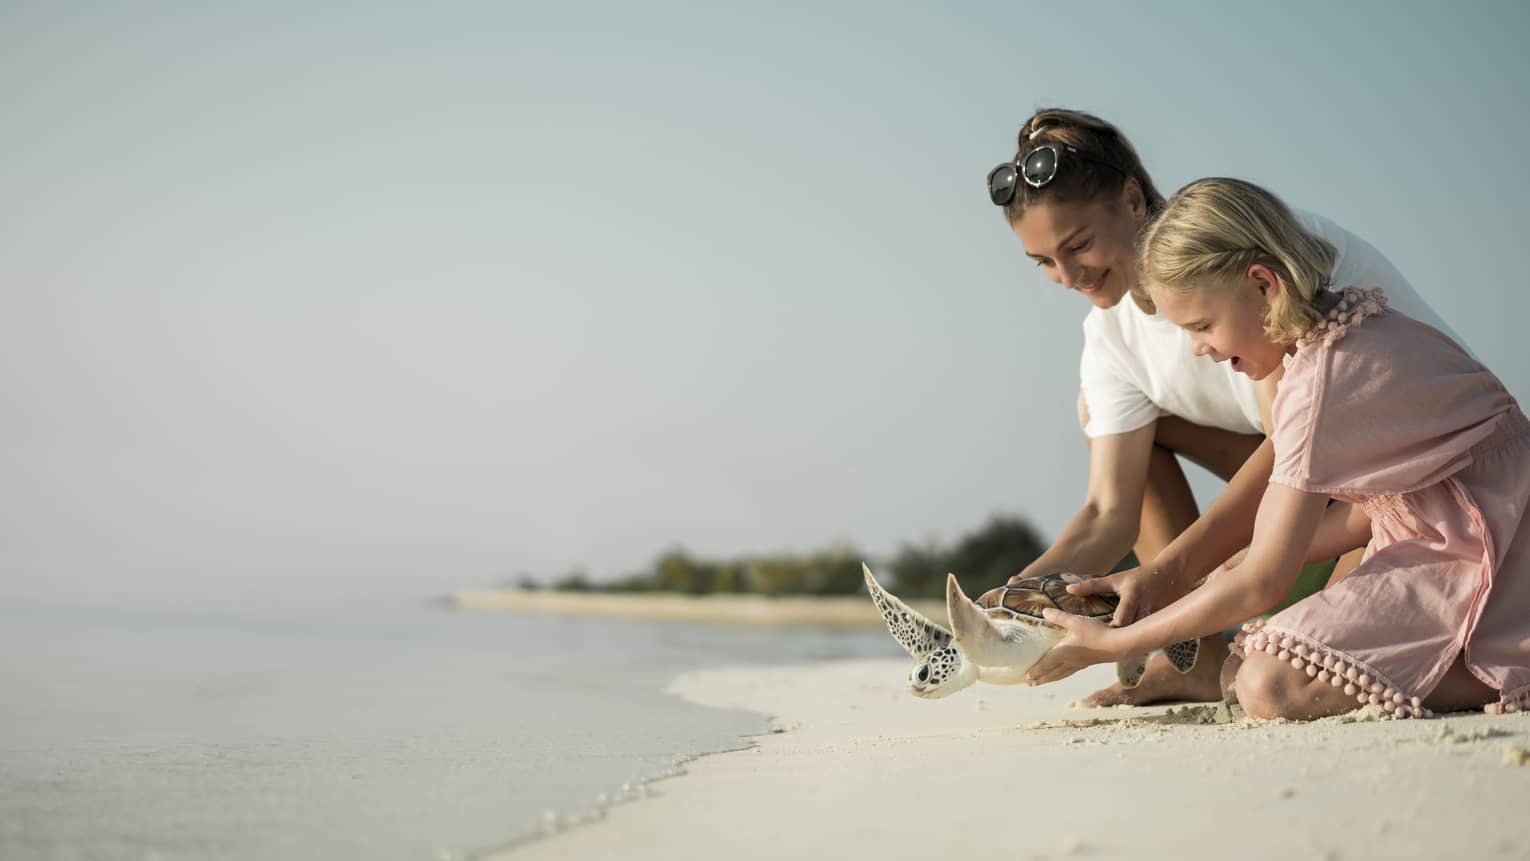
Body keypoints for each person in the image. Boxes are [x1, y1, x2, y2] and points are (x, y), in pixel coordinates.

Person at [990, 109, 1466, 707]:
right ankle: (1196, 659)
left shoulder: (1255, 251)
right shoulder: (1109, 333)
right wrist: (1015, 600)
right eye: (1044, 263)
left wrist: (1172, 577)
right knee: (1114, 420)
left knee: (1293, 677)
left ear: (1133, 200)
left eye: (1078, 245)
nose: (1066, 276)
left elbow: (1300, 445)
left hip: (1411, 483)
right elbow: (1107, 512)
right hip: (1336, 495)